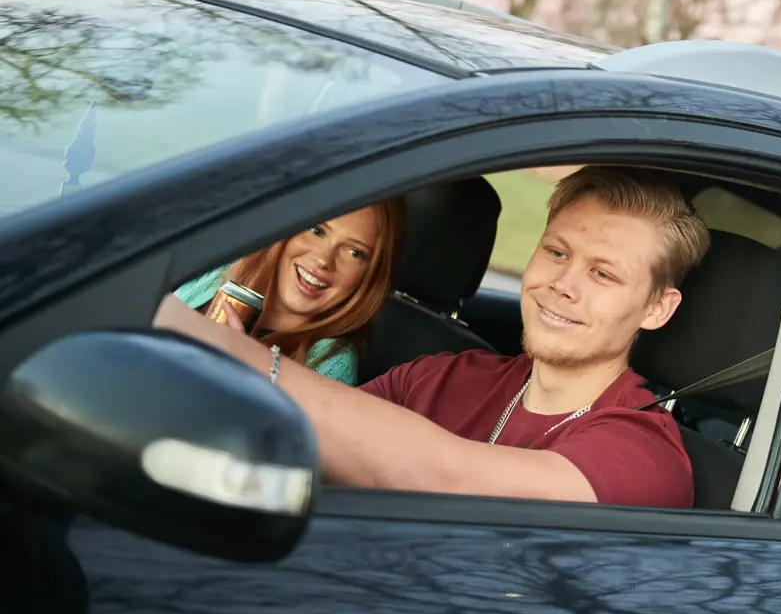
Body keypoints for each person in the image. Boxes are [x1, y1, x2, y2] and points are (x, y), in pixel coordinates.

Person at [153, 166, 710, 509]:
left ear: (657, 309)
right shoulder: (445, 376)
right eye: (557, 253)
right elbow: (294, 445)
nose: (562, 285)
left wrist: (242, 360)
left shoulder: (642, 456)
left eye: (603, 274)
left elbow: (450, 478)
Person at [174, 201, 405, 386]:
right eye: (317, 230)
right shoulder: (221, 272)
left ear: (371, 274)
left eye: (354, 252)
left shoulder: (333, 363)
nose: (323, 260)